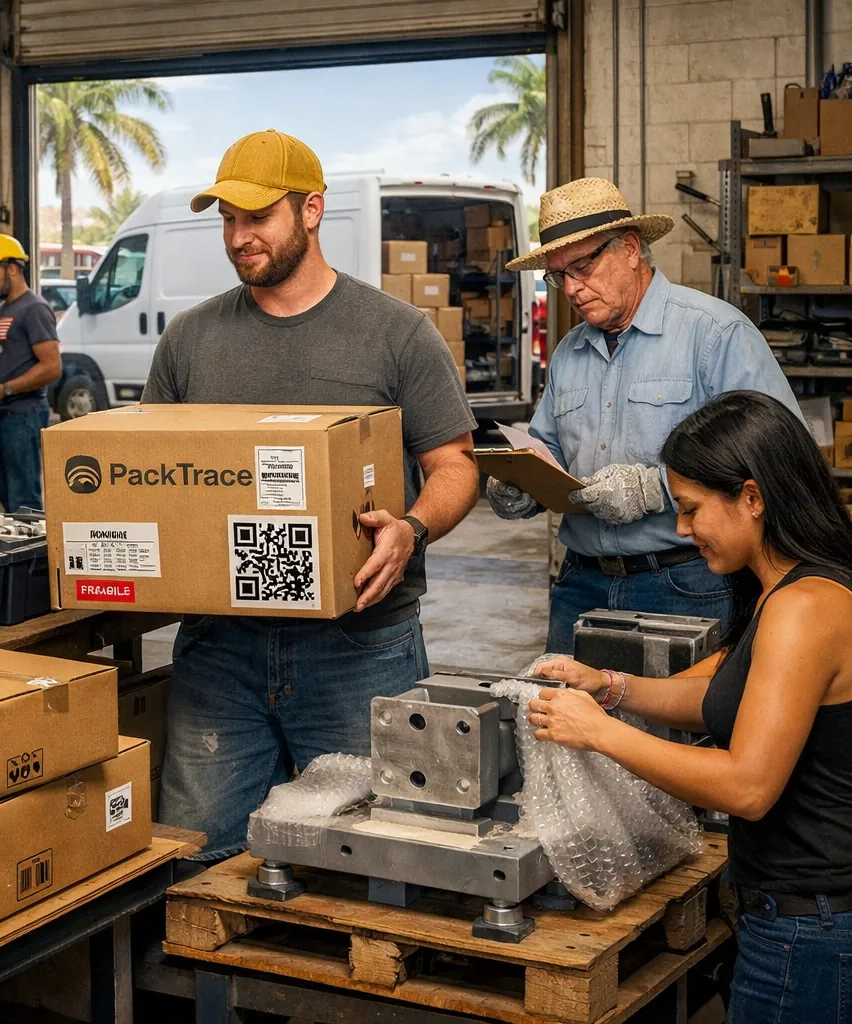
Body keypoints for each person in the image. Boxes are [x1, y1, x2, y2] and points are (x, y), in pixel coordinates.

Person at [141, 129, 480, 861]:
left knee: (376, 852)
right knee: (197, 856)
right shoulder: (189, 341)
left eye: (258, 217)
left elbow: (455, 464)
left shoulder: (395, 334)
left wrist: (413, 528)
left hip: (358, 643)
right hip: (220, 647)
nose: (239, 237)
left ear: (313, 210)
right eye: (228, 220)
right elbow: (149, 477)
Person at [527, 391, 852, 1023]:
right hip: (789, 913)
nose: (681, 530)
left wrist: (600, 735)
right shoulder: (786, 588)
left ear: (752, 498)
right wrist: (608, 687)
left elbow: (747, 786)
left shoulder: (804, 609)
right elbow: (721, 698)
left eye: (691, 509)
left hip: (809, 927)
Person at [490, 177, 799, 653]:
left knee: (682, 705)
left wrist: (657, 489)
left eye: (582, 267)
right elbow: (549, 446)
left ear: (631, 249)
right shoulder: (570, 352)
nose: (571, 288)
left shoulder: (714, 334)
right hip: (581, 583)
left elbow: (779, 456)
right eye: (558, 276)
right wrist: (522, 480)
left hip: (686, 580)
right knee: (565, 703)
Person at [0, 233, 61, 513]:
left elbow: (52, 367)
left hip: (22, 414)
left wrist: (6, 388)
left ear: (12, 268)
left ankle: (32, 545)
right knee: (7, 499)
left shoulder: (34, 309)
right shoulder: (0, 311)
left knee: (24, 502)